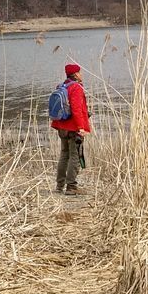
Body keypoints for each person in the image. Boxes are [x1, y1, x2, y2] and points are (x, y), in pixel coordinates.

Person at [51, 63, 91, 195]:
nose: (81, 74)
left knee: (64, 155)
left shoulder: (61, 86)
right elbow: (76, 109)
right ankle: (71, 187)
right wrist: (81, 128)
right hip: (73, 128)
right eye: (79, 72)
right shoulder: (76, 88)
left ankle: (59, 186)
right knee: (75, 156)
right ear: (75, 74)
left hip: (61, 126)